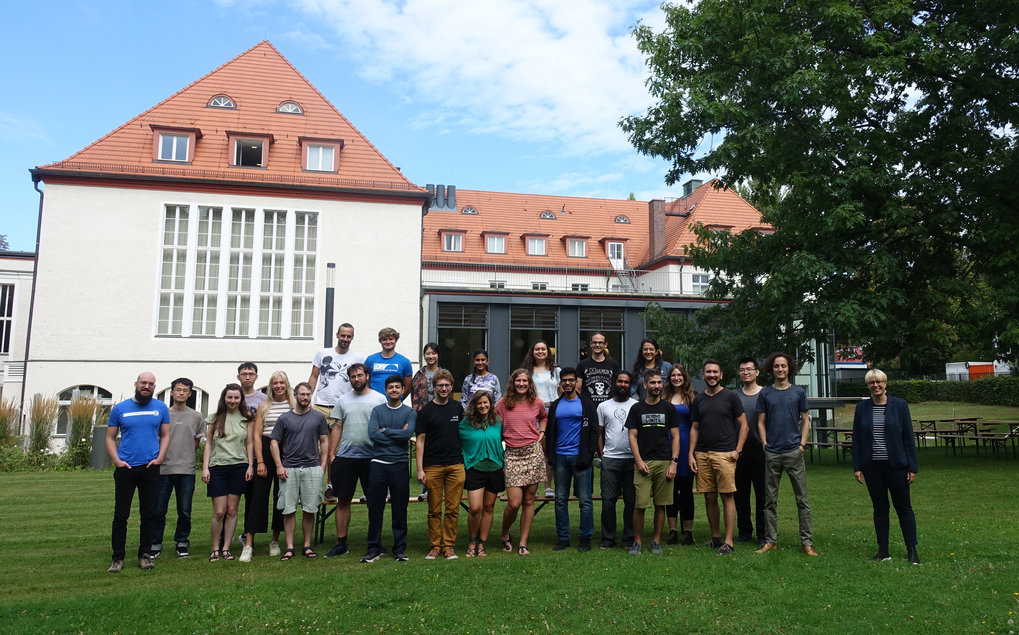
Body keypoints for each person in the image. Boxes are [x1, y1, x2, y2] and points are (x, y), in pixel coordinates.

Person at [852, 368, 920, 565]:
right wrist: (858, 467)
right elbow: (856, 440)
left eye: (879, 382)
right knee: (880, 509)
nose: (876, 386)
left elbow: (908, 438)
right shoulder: (861, 408)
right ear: (868, 386)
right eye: (872, 383)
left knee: (904, 508)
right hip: (872, 467)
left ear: (885, 383)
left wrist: (912, 467)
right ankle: (883, 551)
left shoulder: (899, 406)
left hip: (897, 466)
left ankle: (912, 551)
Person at [105, 372, 170, 573]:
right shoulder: (120, 408)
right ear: (136, 384)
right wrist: (116, 460)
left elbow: (166, 434)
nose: (147, 386)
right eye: (143, 382)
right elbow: (109, 437)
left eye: (151, 384)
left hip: (150, 468)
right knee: (120, 515)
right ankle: (117, 558)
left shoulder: (160, 408)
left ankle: (145, 555)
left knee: (149, 514)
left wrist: (160, 458)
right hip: (126, 468)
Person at [755, 352, 817, 557]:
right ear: (771, 369)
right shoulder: (765, 394)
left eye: (783, 366)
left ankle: (806, 543)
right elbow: (760, 422)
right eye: (776, 366)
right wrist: (765, 444)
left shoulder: (798, 392)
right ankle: (770, 541)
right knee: (769, 501)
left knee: (802, 500)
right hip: (772, 453)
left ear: (789, 368)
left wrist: (802, 444)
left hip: (793, 452)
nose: (780, 369)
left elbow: (806, 420)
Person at [323, 363, 386, 557]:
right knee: (343, 501)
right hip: (346, 457)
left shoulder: (379, 399)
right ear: (349, 379)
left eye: (360, 375)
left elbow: (384, 427)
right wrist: (332, 454)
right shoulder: (343, 400)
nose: (356, 379)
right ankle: (341, 543)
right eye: (353, 376)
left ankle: (375, 544)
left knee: (374, 502)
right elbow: (337, 427)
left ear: (367, 376)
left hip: (372, 458)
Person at [689, 360, 748, 556]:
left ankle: (728, 541)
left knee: (727, 496)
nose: (712, 375)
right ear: (703, 375)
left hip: (725, 454)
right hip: (703, 454)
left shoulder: (731, 396)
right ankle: (715, 538)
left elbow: (744, 426)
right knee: (709, 495)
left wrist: (737, 450)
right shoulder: (698, 400)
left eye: (715, 372)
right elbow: (695, 428)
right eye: (708, 372)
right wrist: (691, 453)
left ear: (721, 375)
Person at [269, 382, 330, 561]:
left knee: (310, 508)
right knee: (288, 510)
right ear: (295, 395)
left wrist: (322, 466)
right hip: (289, 469)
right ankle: (289, 547)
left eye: (308, 394)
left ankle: (307, 545)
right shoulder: (285, 418)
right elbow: (274, 442)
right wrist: (279, 466)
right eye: (302, 394)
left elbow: (324, 441)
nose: (305, 397)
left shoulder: (318, 418)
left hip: (312, 468)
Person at [625, 368, 681, 555]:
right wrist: (638, 460)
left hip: (664, 461)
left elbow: (675, 436)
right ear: (645, 385)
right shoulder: (636, 408)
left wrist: (674, 462)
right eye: (653, 383)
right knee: (640, 505)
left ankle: (656, 541)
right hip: (644, 463)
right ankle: (638, 542)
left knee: (661, 504)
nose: (657, 386)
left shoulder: (668, 408)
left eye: (659, 382)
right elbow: (632, 436)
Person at [362, 375, 417, 562]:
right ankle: (373, 547)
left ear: (403, 390)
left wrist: (385, 430)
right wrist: (397, 433)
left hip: (399, 465)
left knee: (399, 509)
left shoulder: (410, 412)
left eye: (397, 387)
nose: (394, 390)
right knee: (375, 508)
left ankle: (399, 549)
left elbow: (407, 435)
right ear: (386, 391)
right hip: (378, 464)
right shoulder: (377, 411)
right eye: (390, 387)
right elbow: (372, 434)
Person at [544, 367, 599, 552]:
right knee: (560, 499)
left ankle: (585, 537)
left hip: (580, 457)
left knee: (585, 500)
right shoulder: (556, 406)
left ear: (576, 382)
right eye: (564, 380)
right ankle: (563, 538)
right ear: (560, 383)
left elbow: (593, 432)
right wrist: (550, 455)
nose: (568, 383)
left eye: (571, 380)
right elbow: (550, 433)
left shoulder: (587, 404)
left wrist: (589, 453)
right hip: (560, 457)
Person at [241, 370, 293, 562]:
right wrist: (260, 461)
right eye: (275, 383)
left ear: (287, 385)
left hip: (286, 451)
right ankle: (248, 543)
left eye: (282, 382)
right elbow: (256, 435)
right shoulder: (264, 405)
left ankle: (275, 540)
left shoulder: (293, 404)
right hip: (265, 449)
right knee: (257, 498)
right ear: (271, 386)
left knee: (282, 497)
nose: (279, 386)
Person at [309, 322, 364, 505]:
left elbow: (360, 381)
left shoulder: (357, 357)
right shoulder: (323, 354)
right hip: (320, 405)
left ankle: (330, 486)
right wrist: (307, 399)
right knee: (317, 450)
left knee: (335, 451)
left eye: (349, 336)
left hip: (342, 408)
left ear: (352, 337)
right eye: (343, 336)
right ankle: (315, 487)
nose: (345, 339)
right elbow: (314, 376)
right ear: (337, 335)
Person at [151, 377, 204, 559]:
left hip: (186, 470)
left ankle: (182, 542)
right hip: (163, 469)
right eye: (178, 389)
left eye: (185, 390)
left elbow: (196, 442)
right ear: (171, 392)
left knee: (184, 510)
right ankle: (155, 543)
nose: (181, 393)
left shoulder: (196, 416)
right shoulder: (162, 414)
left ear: (190, 394)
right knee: (158, 510)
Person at [415, 369, 465, 560]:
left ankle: (449, 546)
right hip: (433, 466)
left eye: (447, 385)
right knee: (434, 509)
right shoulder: (426, 411)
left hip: (455, 465)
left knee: (452, 509)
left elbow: (464, 435)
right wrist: (420, 469)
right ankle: (435, 546)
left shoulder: (458, 408)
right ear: (434, 388)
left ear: (451, 387)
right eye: (440, 385)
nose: (444, 388)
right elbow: (419, 441)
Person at [497, 369, 548, 556]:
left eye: (525, 381)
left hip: (533, 454)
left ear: (529, 383)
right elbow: (495, 424)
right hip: (512, 454)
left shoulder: (537, 403)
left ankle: (523, 542)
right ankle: (504, 533)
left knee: (529, 500)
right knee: (514, 502)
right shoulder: (502, 404)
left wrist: (541, 433)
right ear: (513, 383)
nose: (521, 384)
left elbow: (544, 417)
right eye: (518, 381)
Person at [202, 383, 254, 562]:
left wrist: (250, 465)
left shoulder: (247, 419)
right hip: (218, 468)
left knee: (232, 510)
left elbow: (249, 444)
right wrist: (205, 467)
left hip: (239, 467)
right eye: (229, 397)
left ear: (241, 399)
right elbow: (208, 444)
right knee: (219, 511)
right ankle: (215, 548)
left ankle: (226, 548)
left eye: (236, 397)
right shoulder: (214, 418)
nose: (233, 401)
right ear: (224, 398)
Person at [459, 390, 504, 558]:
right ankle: (471, 542)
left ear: (490, 404)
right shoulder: (465, 424)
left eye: (486, 402)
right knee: (475, 508)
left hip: (495, 467)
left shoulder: (497, 421)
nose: (483, 406)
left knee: (489, 507)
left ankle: (482, 544)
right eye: (479, 403)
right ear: (474, 405)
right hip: (474, 469)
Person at [597, 371, 638, 550]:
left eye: (626, 382)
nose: (623, 385)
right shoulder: (603, 406)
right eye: (620, 381)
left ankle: (628, 539)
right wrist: (601, 454)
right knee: (608, 501)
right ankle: (608, 538)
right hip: (610, 459)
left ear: (631, 385)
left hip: (631, 460)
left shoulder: (637, 406)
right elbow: (599, 433)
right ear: (615, 383)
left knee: (631, 501)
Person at [522, 339, 560, 497]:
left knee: (548, 450)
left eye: (543, 349)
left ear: (548, 352)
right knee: (534, 450)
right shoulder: (526, 371)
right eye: (537, 349)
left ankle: (548, 487)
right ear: (532, 352)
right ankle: (534, 487)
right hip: (532, 412)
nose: (540, 352)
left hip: (552, 412)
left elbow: (562, 390)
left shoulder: (557, 371)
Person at [735, 357, 766, 546]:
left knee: (763, 495)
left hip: (761, 450)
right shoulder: (734, 395)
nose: (745, 372)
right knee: (740, 494)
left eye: (749, 369)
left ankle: (763, 534)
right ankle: (744, 530)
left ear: (757, 372)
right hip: (739, 451)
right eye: (742, 370)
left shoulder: (766, 394)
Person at [664, 364, 697, 546]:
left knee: (686, 491)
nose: (676, 378)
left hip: (686, 445)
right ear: (669, 378)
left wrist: (693, 452)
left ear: (685, 377)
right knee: (670, 491)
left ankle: (688, 531)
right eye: (673, 375)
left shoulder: (692, 398)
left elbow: (696, 426)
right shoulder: (664, 397)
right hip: (667, 444)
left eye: (679, 375)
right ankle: (673, 530)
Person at [410, 342, 442, 501]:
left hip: (440, 417)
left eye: (433, 353)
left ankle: (439, 486)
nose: (430, 356)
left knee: (438, 451)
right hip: (424, 418)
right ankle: (425, 488)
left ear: (437, 355)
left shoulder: (443, 373)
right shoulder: (419, 374)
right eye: (427, 353)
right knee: (424, 452)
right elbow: (414, 397)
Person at [365, 327, 413, 397]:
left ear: (396, 340)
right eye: (384, 339)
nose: (388, 342)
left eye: (391, 339)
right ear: (380, 341)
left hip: (394, 404)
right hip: (374, 403)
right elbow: (365, 382)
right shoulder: (370, 360)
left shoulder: (405, 362)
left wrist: (398, 399)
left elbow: (408, 387)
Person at [576, 332, 620, 405]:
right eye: (594, 342)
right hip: (589, 407)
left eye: (600, 343)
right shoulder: (582, 364)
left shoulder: (614, 365)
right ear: (590, 344)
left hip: (608, 406)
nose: (597, 345)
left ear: (605, 345)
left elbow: (617, 387)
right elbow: (577, 389)